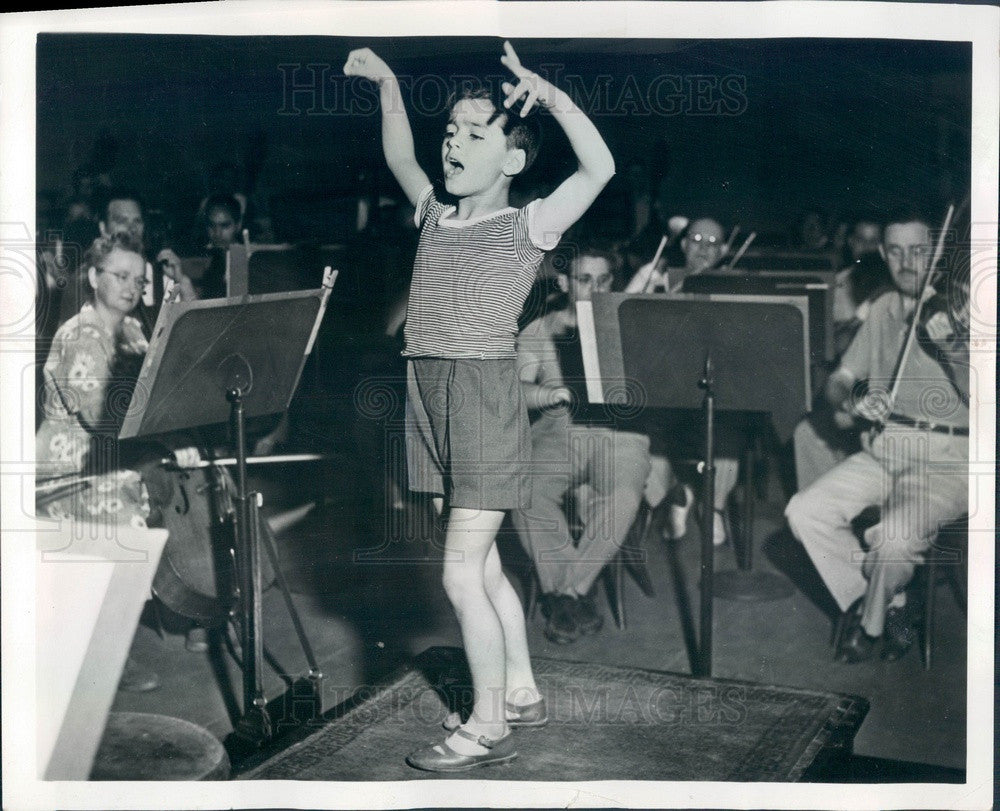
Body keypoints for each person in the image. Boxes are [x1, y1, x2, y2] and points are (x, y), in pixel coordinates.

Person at [344, 40, 615, 771]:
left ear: (514, 160)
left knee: (458, 574)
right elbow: (402, 156)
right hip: (427, 393)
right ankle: (522, 689)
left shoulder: (529, 224)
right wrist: (390, 86)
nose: (453, 142)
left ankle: (487, 721)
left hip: (484, 397)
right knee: (485, 563)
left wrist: (550, 96)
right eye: (450, 131)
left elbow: (601, 167)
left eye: (475, 133)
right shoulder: (434, 213)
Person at [785, 208, 969, 663]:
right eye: (896, 251)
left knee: (892, 539)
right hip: (884, 448)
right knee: (804, 511)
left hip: (948, 458)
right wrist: (852, 400)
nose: (908, 262)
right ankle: (882, 601)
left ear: (938, 254)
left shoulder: (969, 308)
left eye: (919, 251)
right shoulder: (885, 307)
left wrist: (954, 348)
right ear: (884, 254)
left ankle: (869, 628)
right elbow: (840, 379)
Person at [36, 232, 201, 689]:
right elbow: (100, 419)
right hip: (70, 466)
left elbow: (152, 402)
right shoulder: (82, 334)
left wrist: (176, 435)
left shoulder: (130, 329)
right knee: (125, 515)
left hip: (111, 454)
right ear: (93, 276)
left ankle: (182, 611)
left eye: (138, 279)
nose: (131, 287)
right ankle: (103, 651)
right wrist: (158, 447)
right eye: (120, 276)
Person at [512, 239, 650, 644]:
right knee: (526, 489)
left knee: (623, 494)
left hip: (621, 434)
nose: (595, 289)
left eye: (605, 280)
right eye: (584, 280)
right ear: (564, 282)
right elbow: (513, 388)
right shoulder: (540, 329)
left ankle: (564, 594)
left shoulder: (634, 326)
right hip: (561, 429)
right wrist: (546, 395)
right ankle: (572, 593)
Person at [624, 216, 740, 545]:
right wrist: (643, 287)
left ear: (725, 250)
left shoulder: (735, 283)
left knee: (731, 429)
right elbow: (619, 321)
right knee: (647, 436)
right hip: (663, 389)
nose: (703, 248)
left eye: (712, 242)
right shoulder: (657, 277)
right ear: (684, 244)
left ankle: (713, 507)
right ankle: (676, 494)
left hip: (718, 391)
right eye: (696, 239)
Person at [58, 189, 196, 332]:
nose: (131, 229)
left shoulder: (162, 273)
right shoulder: (83, 279)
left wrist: (182, 280)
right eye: (122, 221)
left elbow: (193, 330)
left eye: (137, 221)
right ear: (103, 228)